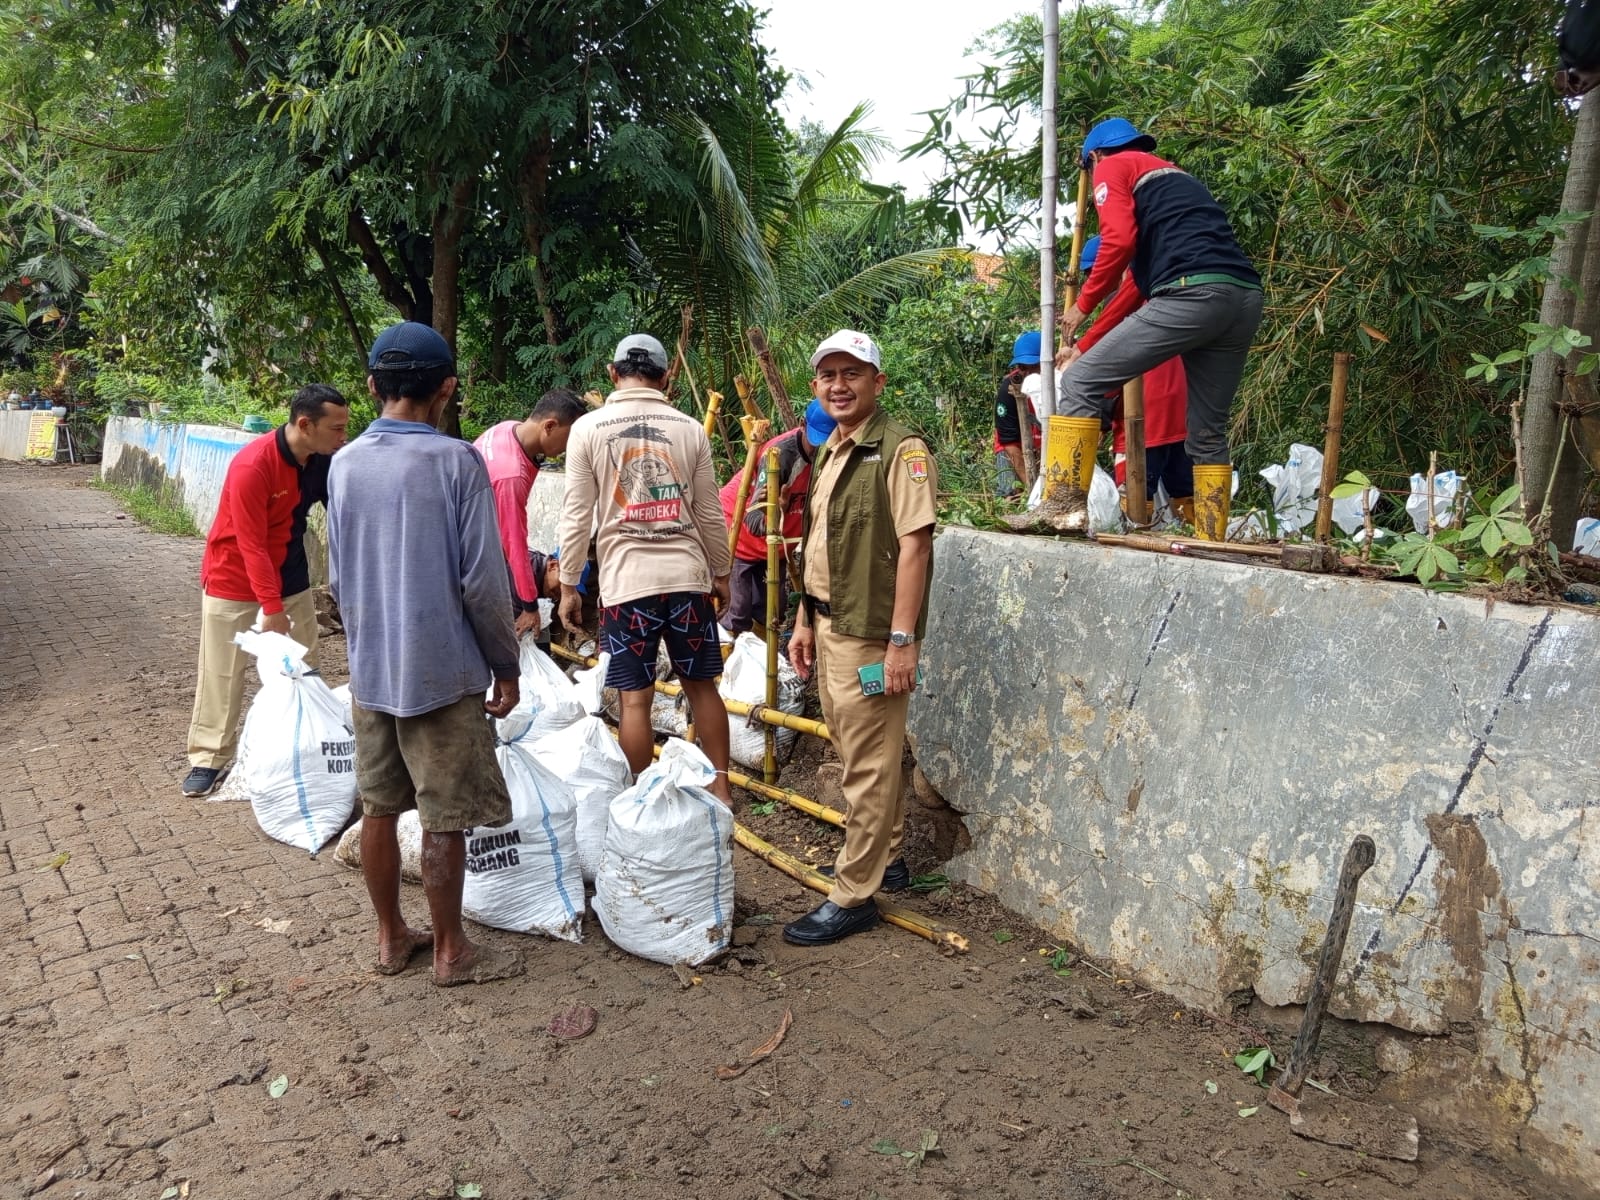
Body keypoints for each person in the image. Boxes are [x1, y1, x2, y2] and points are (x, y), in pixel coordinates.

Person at [327, 321, 524, 987]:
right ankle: (450, 951)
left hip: (372, 670)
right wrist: (506, 665)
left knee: (378, 806)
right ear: (447, 389)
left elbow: (338, 579)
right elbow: (483, 584)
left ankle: (390, 939)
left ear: (372, 387)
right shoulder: (456, 462)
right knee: (445, 815)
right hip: (441, 671)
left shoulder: (345, 463)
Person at [785, 330, 937, 947]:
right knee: (860, 755)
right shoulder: (832, 449)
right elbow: (819, 544)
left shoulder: (900, 450)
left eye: (852, 373)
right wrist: (804, 618)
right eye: (828, 375)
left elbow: (915, 547)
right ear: (816, 385)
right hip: (829, 623)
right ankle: (887, 859)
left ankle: (854, 894)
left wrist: (901, 642)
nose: (839, 386)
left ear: (878, 381)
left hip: (871, 637)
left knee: (867, 766)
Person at [1056, 117, 1262, 540]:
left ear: (1094, 157)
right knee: (1207, 433)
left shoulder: (1112, 166)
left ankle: (1060, 514)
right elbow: (1135, 287)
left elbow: (1117, 240)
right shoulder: (1174, 178)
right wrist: (1086, 343)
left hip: (1191, 293)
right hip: (1242, 298)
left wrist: (1081, 306)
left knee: (1079, 383)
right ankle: (1211, 540)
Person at [557, 333, 734, 804]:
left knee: (635, 700)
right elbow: (709, 512)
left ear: (612, 373)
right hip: (687, 581)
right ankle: (721, 786)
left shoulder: (588, 429)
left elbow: (577, 515)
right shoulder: (690, 429)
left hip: (626, 586)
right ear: (666, 377)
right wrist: (721, 572)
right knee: (702, 688)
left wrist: (569, 585)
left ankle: (642, 798)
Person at [181, 384, 350, 797]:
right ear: (305, 425)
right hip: (233, 580)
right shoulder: (253, 465)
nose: (343, 437)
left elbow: (344, 516)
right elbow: (251, 544)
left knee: (303, 668)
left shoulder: (322, 461)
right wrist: (271, 609)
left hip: (290, 576)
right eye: (336, 429)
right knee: (223, 672)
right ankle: (209, 757)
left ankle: (307, 748)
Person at [1068, 234, 1195, 524]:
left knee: (1135, 498)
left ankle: (1138, 538)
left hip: (1143, 418)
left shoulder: (1118, 308)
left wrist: (1097, 420)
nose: (1090, 284)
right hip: (1182, 414)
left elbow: (1103, 373)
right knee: (1186, 492)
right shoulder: (1162, 296)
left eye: (1092, 275)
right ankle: (1199, 540)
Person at [472, 388, 587, 640]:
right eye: (570, 438)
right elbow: (513, 543)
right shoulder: (511, 476)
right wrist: (530, 606)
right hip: (473, 560)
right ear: (549, 426)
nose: (569, 448)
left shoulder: (506, 430)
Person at [718, 398, 837, 635]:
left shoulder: (835, 455)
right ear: (802, 425)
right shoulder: (780, 456)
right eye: (817, 441)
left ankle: (763, 654)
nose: (820, 449)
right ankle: (726, 655)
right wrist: (777, 514)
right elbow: (753, 520)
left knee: (772, 612)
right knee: (737, 612)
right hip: (739, 538)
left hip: (777, 546)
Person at [994, 332, 1043, 497]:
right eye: (1022, 367)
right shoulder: (1008, 390)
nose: (1027, 374)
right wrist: (1030, 488)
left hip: (1045, 445)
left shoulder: (1059, 382)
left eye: (1034, 366)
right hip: (1014, 447)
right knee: (1011, 492)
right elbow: (1009, 442)